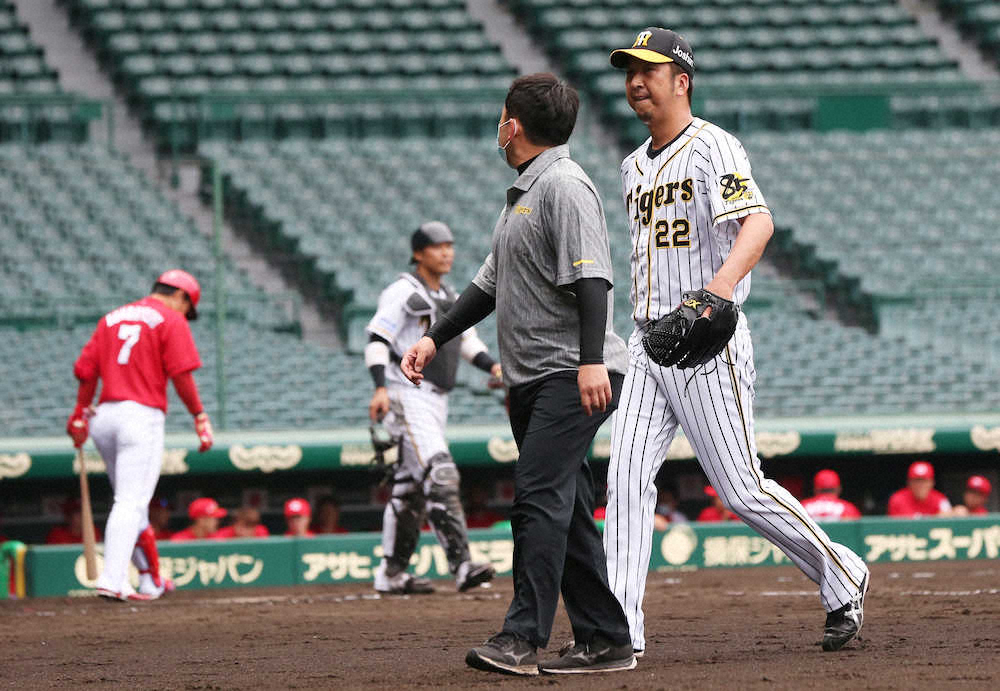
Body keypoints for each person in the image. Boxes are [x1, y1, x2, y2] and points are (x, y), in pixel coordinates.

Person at [601, 28, 870, 656]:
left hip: (704, 339)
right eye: (629, 71)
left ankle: (843, 573)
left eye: (649, 69)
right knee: (627, 479)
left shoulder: (713, 146)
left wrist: (715, 292)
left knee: (742, 489)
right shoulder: (631, 166)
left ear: (681, 80)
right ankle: (618, 631)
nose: (636, 81)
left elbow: (759, 221)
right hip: (649, 343)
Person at [402, 73, 635, 675]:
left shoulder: (564, 185)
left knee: (536, 497)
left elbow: (594, 281)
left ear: (515, 126)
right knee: (570, 504)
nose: (498, 127)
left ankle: (521, 638)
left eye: (502, 117)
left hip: (570, 372)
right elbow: (486, 287)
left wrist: (589, 361)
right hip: (532, 378)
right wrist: (433, 337)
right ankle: (605, 637)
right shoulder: (522, 198)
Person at [364, 220, 500, 595]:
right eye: (438, 246)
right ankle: (462, 565)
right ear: (419, 253)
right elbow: (377, 339)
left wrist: (493, 367)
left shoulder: (450, 294)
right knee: (440, 474)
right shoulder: (403, 290)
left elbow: (467, 343)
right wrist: (379, 389)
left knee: (408, 489)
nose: (446, 252)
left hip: (435, 400)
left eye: (449, 245)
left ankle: (391, 573)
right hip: (406, 395)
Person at [68, 269, 213, 601]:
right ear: (181, 296)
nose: (185, 316)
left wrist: (79, 413)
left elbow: (86, 370)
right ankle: (112, 578)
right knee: (130, 503)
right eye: (187, 309)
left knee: (133, 507)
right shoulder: (170, 319)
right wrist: (199, 416)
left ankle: (148, 580)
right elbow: (181, 375)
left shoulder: (111, 318)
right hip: (140, 416)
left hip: (104, 416)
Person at [887, 461, 952, 518]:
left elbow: (948, 520)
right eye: (916, 480)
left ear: (932, 482)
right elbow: (895, 527)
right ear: (909, 482)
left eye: (924, 481)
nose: (920, 485)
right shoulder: (897, 499)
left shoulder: (941, 500)